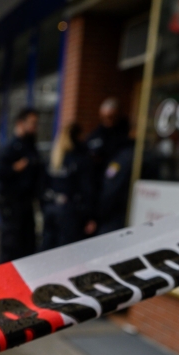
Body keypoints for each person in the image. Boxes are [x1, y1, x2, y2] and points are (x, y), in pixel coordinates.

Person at [0, 108, 42, 263]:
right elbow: (0, 173)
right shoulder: (9, 148)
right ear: (21, 123)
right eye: (32, 123)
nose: (35, 127)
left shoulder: (32, 147)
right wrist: (15, 168)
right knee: (10, 248)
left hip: (27, 206)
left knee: (28, 247)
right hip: (11, 207)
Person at [40, 122, 93, 251]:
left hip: (51, 209)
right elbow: (87, 189)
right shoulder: (79, 159)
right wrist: (89, 216)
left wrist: (45, 206)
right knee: (66, 253)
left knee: (47, 249)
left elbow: (41, 186)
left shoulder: (54, 158)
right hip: (70, 213)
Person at [85, 98, 131, 231]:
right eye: (104, 116)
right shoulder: (96, 136)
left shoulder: (124, 138)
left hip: (116, 199)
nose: (107, 120)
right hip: (97, 193)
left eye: (111, 116)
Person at [95, 134, 135, 234]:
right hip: (114, 213)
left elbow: (111, 189)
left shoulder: (124, 155)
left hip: (115, 214)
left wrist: (99, 213)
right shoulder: (122, 154)